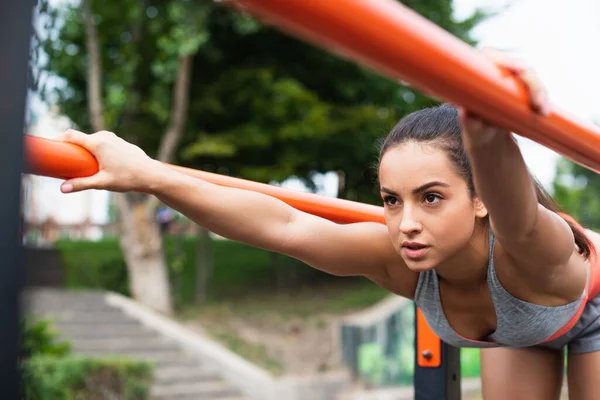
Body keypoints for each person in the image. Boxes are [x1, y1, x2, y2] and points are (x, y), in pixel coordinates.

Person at [55, 53, 600, 400]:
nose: (407, 223)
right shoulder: (399, 255)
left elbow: (517, 209)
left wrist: (487, 116)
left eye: (431, 197)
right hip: (522, 331)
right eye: (392, 200)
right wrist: (150, 176)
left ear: (480, 199)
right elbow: (285, 227)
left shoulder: (530, 248)